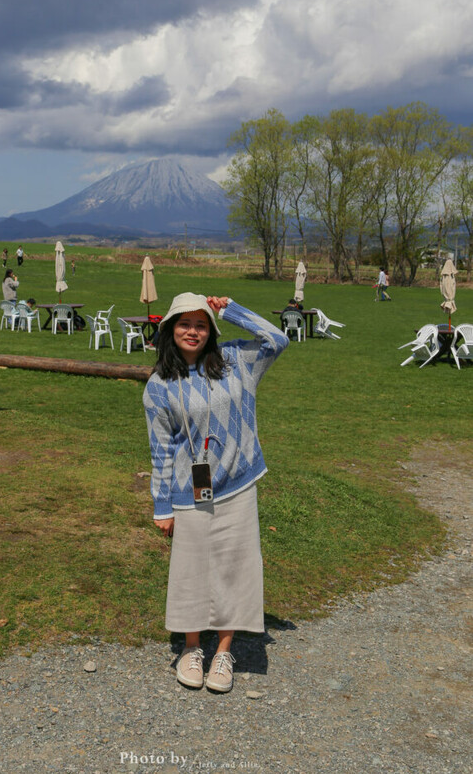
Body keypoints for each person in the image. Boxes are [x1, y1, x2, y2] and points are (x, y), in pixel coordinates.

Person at [143, 293, 288, 693]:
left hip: (239, 483)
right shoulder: (158, 386)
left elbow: (277, 338)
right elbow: (162, 449)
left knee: (236, 568)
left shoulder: (236, 361)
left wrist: (231, 310)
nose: (193, 331)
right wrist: (162, 506)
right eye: (184, 324)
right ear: (170, 329)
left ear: (211, 330)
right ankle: (191, 649)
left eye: (202, 324)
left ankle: (224, 650)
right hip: (192, 492)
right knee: (190, 571)